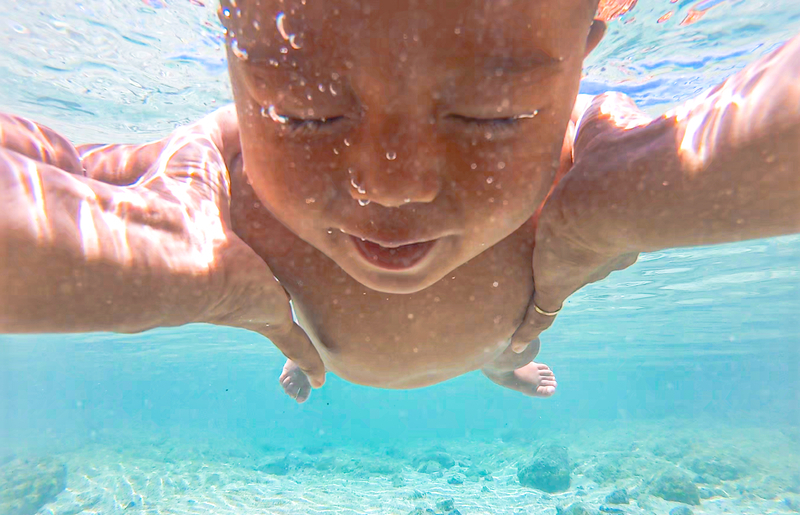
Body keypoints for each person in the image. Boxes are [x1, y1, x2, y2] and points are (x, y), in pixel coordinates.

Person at [1, 0, 798, 403]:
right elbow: (48, 169)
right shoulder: (203, 187)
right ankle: (300, 343)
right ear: (230, 54)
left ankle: (496, 363)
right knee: (296, 319)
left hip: (493, 326)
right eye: (300, 112)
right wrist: (177, 269)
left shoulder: (590, 169)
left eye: (495, 114)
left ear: (586, 51)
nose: (390, 184)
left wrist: (613, 209)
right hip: (317, 327)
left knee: (510, 344)